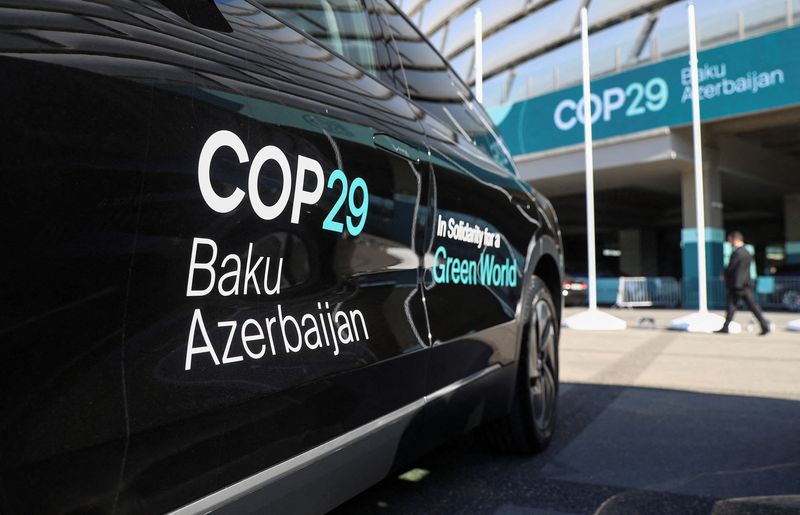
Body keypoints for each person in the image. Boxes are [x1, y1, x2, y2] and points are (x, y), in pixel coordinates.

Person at [715, 231, 770, 335]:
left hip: (737, 284)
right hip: (746, 284)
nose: (729, 242)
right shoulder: (747, 252)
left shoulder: (737, 252)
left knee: (732, 306)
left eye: (730, 239)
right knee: (749, 306)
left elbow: (731, 267)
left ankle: (726, 327)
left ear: (734, 239)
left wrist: (724, 274)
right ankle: (764, 325)